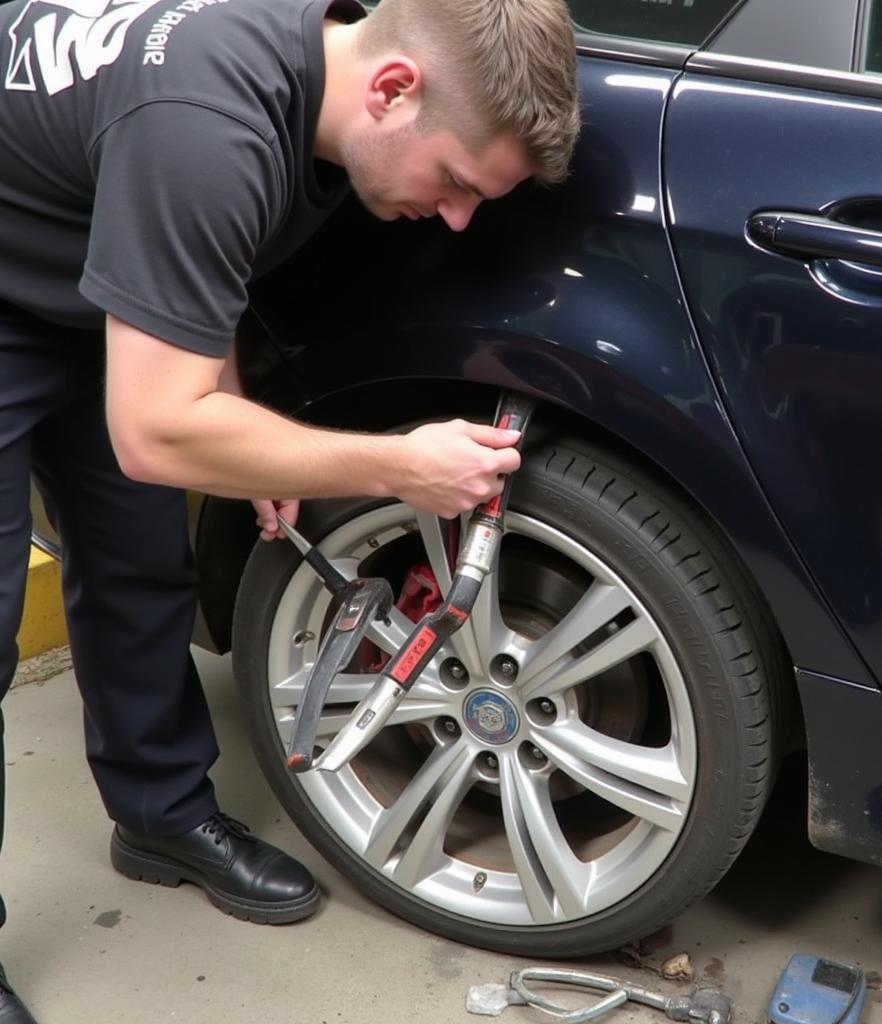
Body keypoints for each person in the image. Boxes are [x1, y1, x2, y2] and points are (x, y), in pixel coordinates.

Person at [0, 0, 579, 1015]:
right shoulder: (212, 123)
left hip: (84, 264)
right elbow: (151, 430)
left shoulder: (308, 84)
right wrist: (389, 466)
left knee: (143, 563)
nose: (455, 219)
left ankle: (159, 816)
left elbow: (194, 261)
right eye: (453, 182)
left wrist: (231, 420)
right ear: (393, 91)